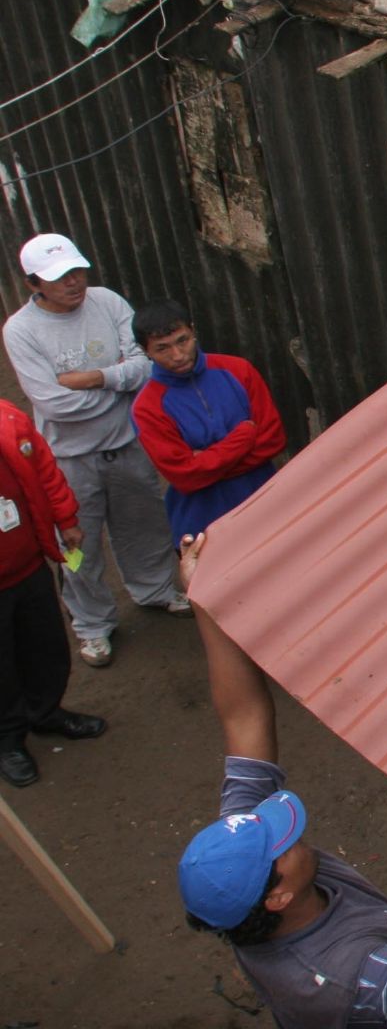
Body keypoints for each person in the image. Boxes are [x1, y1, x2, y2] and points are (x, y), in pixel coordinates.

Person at [176, 534, 387, 1028]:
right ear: (278, 898)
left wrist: (204, 599)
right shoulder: (351, 979)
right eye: (282, 845)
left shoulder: (235, 869)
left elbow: (243, 716)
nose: (289, 831)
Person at [2, 234, 186, 668]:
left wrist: (89, 379)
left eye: (77, 270)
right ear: (34, 284)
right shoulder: (21, 331)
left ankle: (156, 589)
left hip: (125, 444)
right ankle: (92, 624)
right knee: (76, 545)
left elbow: (143, 366)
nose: (74, 282)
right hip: (67, 459)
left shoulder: (107, 301)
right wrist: (117, 385)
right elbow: (52, 403)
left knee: (144, 525)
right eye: (60, 277)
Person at [0, 397, 107, 787]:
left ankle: (45, 713)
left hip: (28, 565)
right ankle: (8, 739)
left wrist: (65, 519)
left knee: (46, 647)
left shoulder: (8, 420)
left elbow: (45, 473)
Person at [130, 300, 286, 546]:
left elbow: (273, 440)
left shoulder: (238, 370)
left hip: (266, 505)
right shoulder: (146, 407)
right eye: (163, 349)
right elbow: (185, 476)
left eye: (183, 340)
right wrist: (244, 437)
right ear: (144, 350)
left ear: (193, 330)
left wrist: (205, 462)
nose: (178, 355)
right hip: (204, 523)